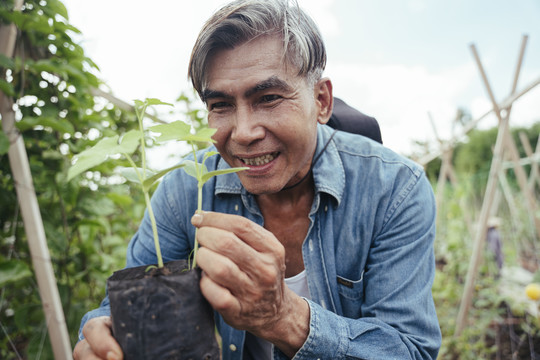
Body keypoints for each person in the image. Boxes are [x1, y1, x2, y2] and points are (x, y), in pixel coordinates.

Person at [73, 0, 441, 359]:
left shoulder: (394, 188)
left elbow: (409, 349)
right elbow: (119, 302)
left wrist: (282, 317)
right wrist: (103, 330)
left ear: (322, 100)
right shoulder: (187, 188)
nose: (244, 133)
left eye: (268, 98)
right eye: (220, 105)